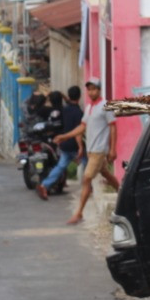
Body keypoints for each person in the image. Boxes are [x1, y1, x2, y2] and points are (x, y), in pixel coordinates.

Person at [54, 79, 117, 224]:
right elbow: (82, 127)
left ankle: (79, 213)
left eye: (94, 89)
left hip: (99, 150)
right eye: (89, 89)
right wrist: (64, 136)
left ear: (99, 90)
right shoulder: (89, 107)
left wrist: (113, 149)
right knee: (107, 174)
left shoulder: (105, 106)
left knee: (86, 179)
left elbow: (113, 127)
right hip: (91, 150)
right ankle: (124, 195)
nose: (91, 92)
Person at [37, 87, 82, 200]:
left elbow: (68, 103)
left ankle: (44, 185)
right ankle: (88, 187)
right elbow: (78, 132)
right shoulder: (77, 112)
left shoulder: (65, 110)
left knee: (60, 166)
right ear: (80, 96)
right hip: (73, 144)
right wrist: (80, 146)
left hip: (63, 143)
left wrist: (55, 95)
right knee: (87, 163)